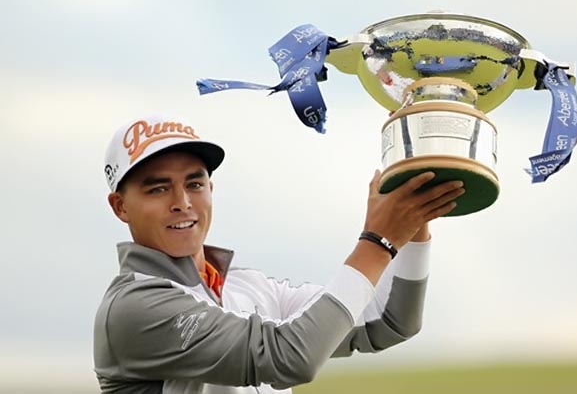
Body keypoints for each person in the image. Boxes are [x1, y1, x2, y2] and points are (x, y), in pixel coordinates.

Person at [94, 113, 465, 394]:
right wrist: (379, 240)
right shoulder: (134, 306)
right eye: (158, 189)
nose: (183, 203)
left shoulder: (248, 286)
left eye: (195, 183)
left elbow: (389, 321)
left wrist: (416, 215)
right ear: (120, 207)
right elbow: (290, 358)